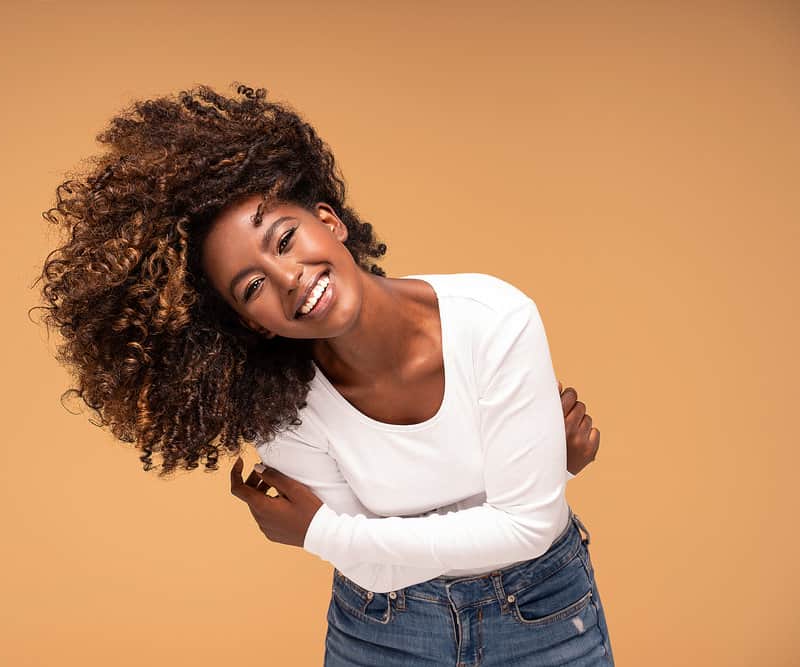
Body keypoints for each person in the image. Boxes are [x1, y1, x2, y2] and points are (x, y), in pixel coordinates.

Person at [35, 83, 613, 665]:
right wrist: (531, 480)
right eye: (252, 287)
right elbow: (378, 568)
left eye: (284, 239)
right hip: (384, 631)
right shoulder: (283, 409)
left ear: (328, 220)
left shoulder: (494, 319)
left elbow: (525, 532)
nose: (288, 277)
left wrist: (319, 532)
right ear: (251, 323)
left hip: (544, 614)